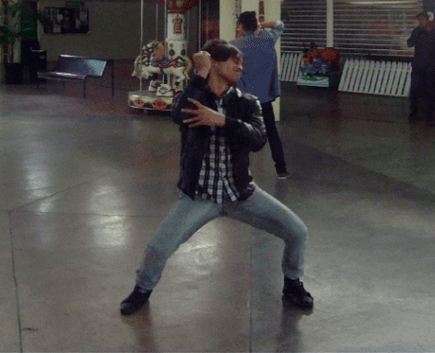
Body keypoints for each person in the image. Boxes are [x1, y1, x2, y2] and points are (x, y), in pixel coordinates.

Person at [119, 40, 313, 316]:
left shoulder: (247, 103)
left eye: (241, 63)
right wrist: (199, 76)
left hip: (241, 194)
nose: (239, 67)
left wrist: (222, 121)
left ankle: (292, 284)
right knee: (158, 247)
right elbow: (178, 113)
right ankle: (142, 290)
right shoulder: (194, 96)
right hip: (198, 195)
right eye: (234, 61)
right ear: (214, 62)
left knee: (297, 231)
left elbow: (259, 139)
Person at [232, 10, 289, 178]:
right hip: (264, 98)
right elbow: (280, 24)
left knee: (239, 133)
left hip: (242, 99)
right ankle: (281, 168)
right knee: (272, 132)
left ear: (241, 26)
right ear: (256, 25)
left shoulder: (234, 45)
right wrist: (262, 25)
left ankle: (239, 170)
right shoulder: (267, 40)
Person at [407, 11, 435, 122]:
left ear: (427, 21)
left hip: (430, 68)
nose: (421, 22)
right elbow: (409, 43)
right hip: (418, 66)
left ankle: (429, 115)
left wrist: (433, 65)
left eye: (423, 19)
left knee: (430, 92)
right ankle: (414, 112)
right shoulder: (417, 32)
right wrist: (416, 34)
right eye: (419, 20)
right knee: (415, 90)